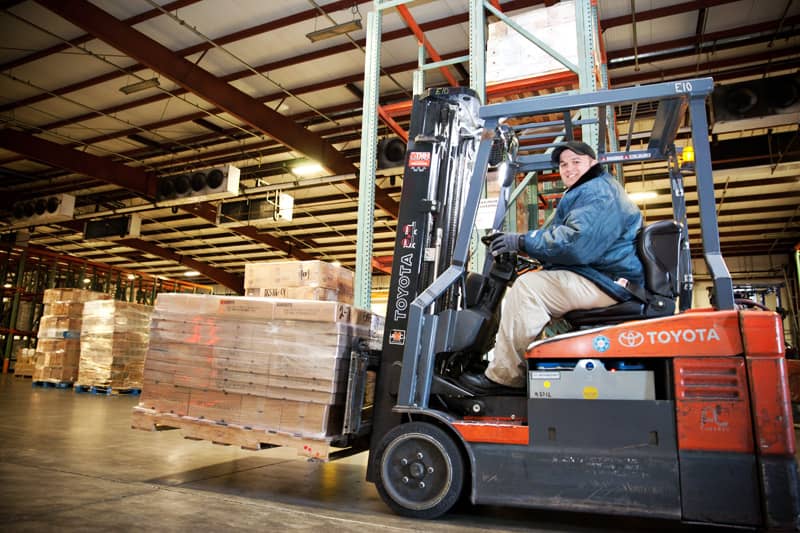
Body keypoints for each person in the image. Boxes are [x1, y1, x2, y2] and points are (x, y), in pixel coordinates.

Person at [458, 140, 645, 394]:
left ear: (593, 163)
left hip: (605, 280)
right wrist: (527, 249)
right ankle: (517, 367)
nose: (568, 169)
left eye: (576, 162)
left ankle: (506, 377)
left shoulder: (597, 191)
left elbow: (576, 244)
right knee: (530, 282)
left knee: (528, 289)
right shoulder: (590, 190)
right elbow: (568, 242)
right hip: (600, 275)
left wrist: (522, 241)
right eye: (563, 164)